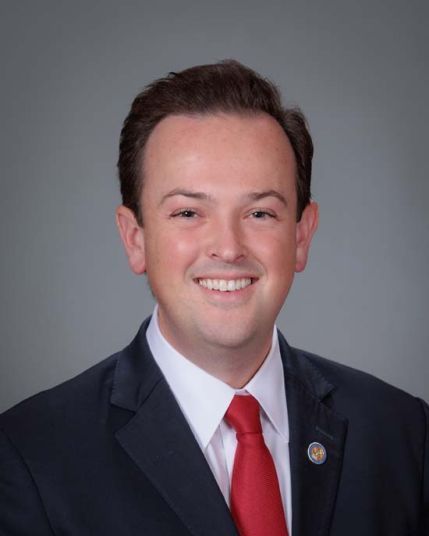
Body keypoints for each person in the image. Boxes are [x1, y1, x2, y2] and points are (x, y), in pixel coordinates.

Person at [0, 60, 427, 536]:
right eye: (188, 212)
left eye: (260, 213)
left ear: (301, 236)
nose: (228, 248)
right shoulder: (30, 456)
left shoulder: (404, 434)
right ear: (135, 238)